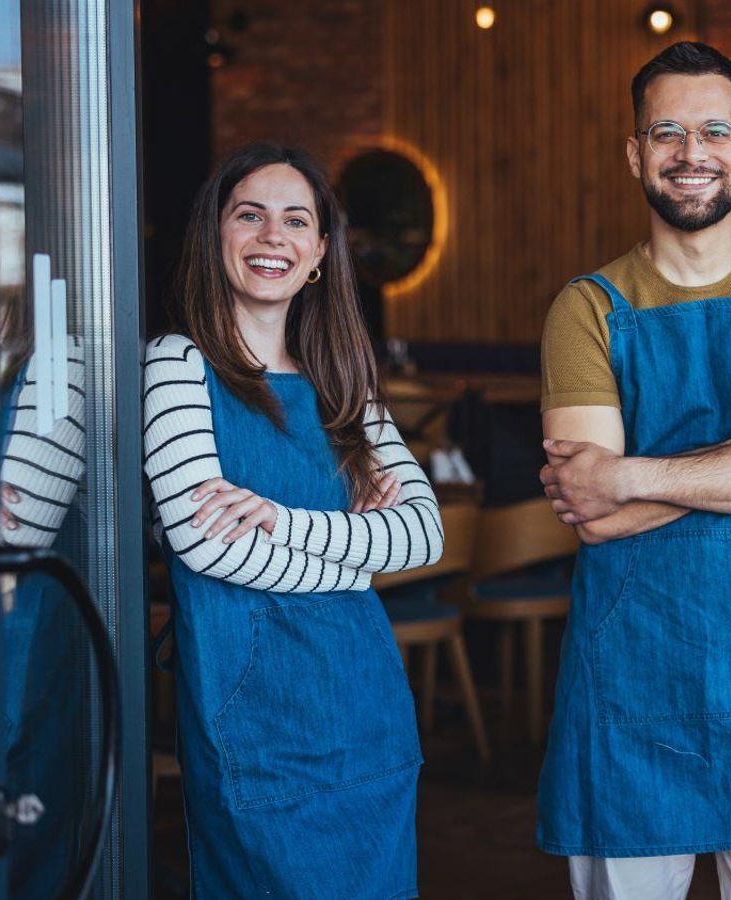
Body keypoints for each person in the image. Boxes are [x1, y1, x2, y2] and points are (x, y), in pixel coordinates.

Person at [536, 41, 731, 900]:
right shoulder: (587, 307)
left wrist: (634, 475)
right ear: (636, 154)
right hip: (627, 691)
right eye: (666, 132)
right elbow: (589, 510)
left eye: (715, 129)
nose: (692, 152)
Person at [142, 142, 442, 898]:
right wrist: (359, 561)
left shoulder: (344, 385)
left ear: (318, 253)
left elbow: (424, 534)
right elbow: (208, 545)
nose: (273, 235)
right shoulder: (178, 363)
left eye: (295, 220)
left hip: (368, 714)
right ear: (217, 238)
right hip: (256, 725)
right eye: (250, 215)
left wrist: (281, 520)